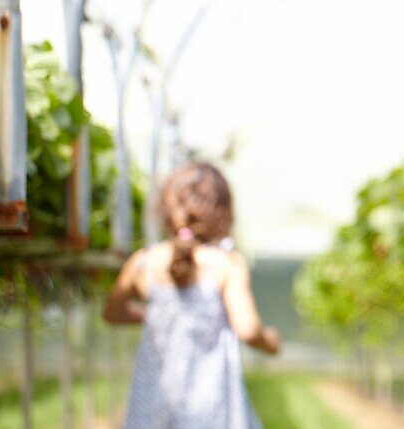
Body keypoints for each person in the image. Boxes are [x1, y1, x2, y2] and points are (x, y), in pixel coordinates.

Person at [104, 162, 280, 429]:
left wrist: (155, 317)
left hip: (153, 407)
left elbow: (112, 313)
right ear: (222, 211)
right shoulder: (226, 264)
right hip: (211, 409)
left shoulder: (142, 263)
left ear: (165, 208)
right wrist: (270, 341)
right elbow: (247, 330)